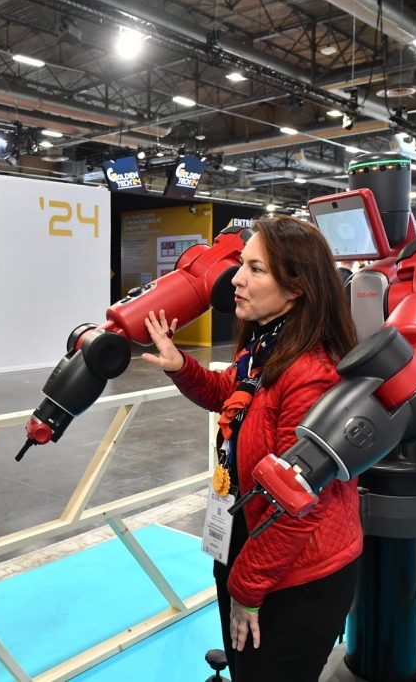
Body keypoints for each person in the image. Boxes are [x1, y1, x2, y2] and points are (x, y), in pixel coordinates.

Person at [141, 215, 362, 681]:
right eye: (241, 263)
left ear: (297, 286)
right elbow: (234, 395)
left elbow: (299, 505)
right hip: (249, 546)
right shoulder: (268, 344)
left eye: (255, 269)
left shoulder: (312, 373)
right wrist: (180, 365)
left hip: (295, 575)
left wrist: (246, 587)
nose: (236, 279)